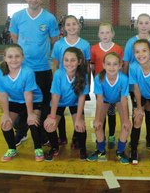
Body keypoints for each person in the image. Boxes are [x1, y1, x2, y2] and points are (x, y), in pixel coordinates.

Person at [10, 0, 60, 147]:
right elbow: (15, 39)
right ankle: (21, 133)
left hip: (43, 68)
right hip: (23, 68)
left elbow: (54, 42)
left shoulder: (49, 18)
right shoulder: (17, 16)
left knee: (44, 103)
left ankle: (43, 134)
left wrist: (50, 61)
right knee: (21, 102)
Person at [0, 44, 44, 162]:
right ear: (5, 58)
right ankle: (12, 149)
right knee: (6, 123)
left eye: (17, 56)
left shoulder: (28, 72)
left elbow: (28, 94)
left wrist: (30, 113)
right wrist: (6, 114)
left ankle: (38, 148)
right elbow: (2, 94)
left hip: (34, 99)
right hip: (15, 100)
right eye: (10, 57)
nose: (14, 60)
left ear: (23, 57)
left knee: (33, 122)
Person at [122, 13, 150, 150]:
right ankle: (135, 138)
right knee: (138, 112)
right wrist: (126, 85)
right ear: (136, 25)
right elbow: (126, 63)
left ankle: (149, 136)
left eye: (146, 23)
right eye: (141, 23)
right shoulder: (130, 42)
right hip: (136, 84)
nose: (144, 26)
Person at [51, 15, 91, 149]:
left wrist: (88, 85)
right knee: (59, 111)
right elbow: (55, 65)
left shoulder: (84, 44)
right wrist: (55, 84)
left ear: (78, 26)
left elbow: (86, 66)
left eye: (74, 24)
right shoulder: (58, 44)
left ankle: (76, 136)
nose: (71, 27)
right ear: (63, 28)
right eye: (68, 24)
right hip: (62, 84)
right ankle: (62, 137)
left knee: (78, 113)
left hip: (77, 84)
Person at [43, 47, 89, 161]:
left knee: (80, 126)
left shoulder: (83, 75)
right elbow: (56, 96)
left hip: (75, 103)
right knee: (50, 126)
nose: (69, 63)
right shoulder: (59, 73)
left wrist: (78, 118)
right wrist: (52, 117)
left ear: (79, 61)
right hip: (59, 103)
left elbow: (82, 97)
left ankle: (82, 148)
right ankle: (54, 148)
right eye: (66, 60)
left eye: (73, 60)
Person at [87, 52, 131, 164]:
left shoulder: (124, 79)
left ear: (121, 65)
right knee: (98, 125)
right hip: (105, 100)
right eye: (109, 64)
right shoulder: (99, 78)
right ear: (103, 65)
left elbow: (124, 99)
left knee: (126, 125)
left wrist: (126, 119)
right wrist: (97, 118)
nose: (112, 67)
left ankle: (120, 151)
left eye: (115, 64)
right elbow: (100, 100)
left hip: (119, 100)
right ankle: (100, 150)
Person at [90, 23, 124, 149]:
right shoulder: (94, 49)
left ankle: (111, 136)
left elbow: (120, 68)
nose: (105, 35)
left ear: (112, 34)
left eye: (107, 32)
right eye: (102, 32)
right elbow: (93, 67)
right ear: (98, 34)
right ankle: (102, 136)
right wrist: (97, 82)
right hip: (101, 87)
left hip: (114, 87)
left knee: (111, 112)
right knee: (101, 113)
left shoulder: (118, 49)